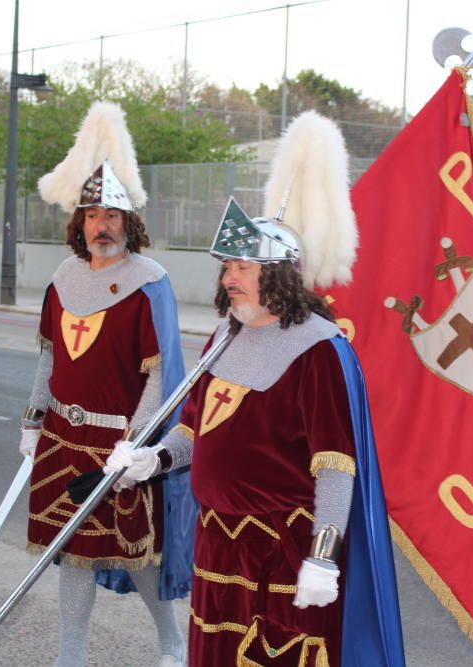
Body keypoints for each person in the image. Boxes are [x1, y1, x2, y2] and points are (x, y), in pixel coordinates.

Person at [105, 113, 405, 666]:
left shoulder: (319, 350)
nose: (227, 279)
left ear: (281, 275)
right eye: (226, 268)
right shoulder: (225, 335)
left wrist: (323, 556)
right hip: (218, 541)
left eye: (241, 266)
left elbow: (336, 465)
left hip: (283, 551)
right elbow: (196, 426)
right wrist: (155, 457)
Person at [20, 101, 192, 667]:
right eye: (92, 216)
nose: (102, 225)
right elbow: (48, 358)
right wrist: (32, 420)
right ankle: (70, 654)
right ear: (80, 223)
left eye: (112, 217)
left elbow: (162, 373)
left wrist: (137, 441)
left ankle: (171, 642)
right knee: (72, 552)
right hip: (61, 441)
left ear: (130, 223)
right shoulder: (62, 278)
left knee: (134, 552)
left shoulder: (149, 283)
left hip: (119, 444)